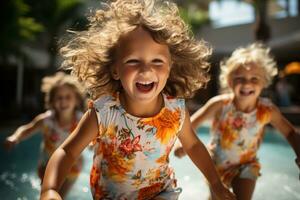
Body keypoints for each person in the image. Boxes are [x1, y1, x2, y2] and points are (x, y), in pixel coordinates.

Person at [40, 0, 236, 199]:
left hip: (160, 191)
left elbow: (193, 145)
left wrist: (215, 184)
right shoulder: (103, 113)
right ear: (116, 69)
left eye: (157, 61)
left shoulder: (175, 111)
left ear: (170, 68)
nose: (146, 69)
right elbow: (68, 152)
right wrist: (50, 189)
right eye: (133, 61)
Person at [174, 43, 300, 200]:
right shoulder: (220, 104)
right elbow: (192, 122)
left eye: (254, 78)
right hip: (216, 165)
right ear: (229, 81)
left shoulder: (267, 110)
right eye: (240, 78)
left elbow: (289, 132)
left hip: (247, 165)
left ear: (264, 82)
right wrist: (182, 144)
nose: (247, 83)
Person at [4, 72, 86, 197]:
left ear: (76, 100)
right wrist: (15, 137)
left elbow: (92, 138)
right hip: (47, 165)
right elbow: (27, 129)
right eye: (59, 97)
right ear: (52, 100)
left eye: (68, 97)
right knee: (46, 196)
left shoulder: (82, 121)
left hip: (72, 167)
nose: (63, 101)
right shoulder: (47, 120)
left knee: (60, 196)